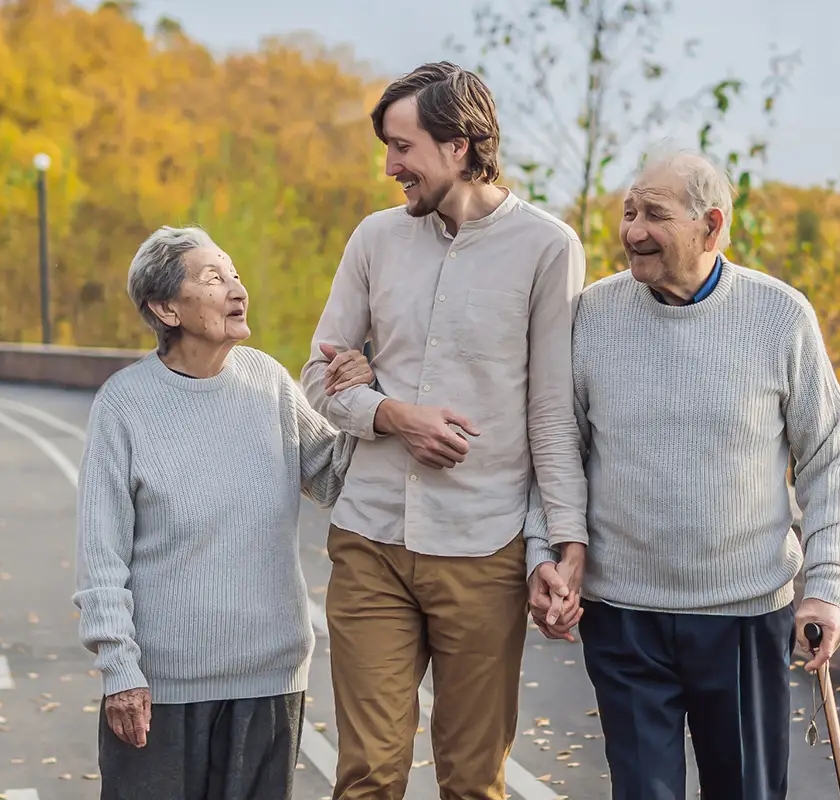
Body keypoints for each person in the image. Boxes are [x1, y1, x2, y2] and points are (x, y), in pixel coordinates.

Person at [526, 146, 840, 799]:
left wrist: (825, 586)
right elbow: (557, 444)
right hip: (621, 612)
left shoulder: (778, 315)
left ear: (710, 226)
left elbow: (826, 456)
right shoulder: (591, 315)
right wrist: (547, 548)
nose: (632, 231)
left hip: (742, 612)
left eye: (652, 214)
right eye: (627, 213)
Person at [299, 61, 589, 799]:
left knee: (471, 781)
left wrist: (566, 543)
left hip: (482, 550)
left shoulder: (547, 249)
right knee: (365, 774)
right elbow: (315, 380)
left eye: (402, 148)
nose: (390, 167)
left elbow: (553, 416)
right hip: (370, 541)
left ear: (459, 145)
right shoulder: (374, 240)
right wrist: (393, 414)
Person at [73, 225, 370, 800]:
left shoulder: (268, 382)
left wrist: (355, 401)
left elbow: (334, 479)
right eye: (214, 278)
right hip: (161, 689)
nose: (237, 289)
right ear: (166, 307)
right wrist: (120, 670)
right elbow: (100, 554)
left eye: (234, 274)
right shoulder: (124, 405)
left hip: (270, 677)